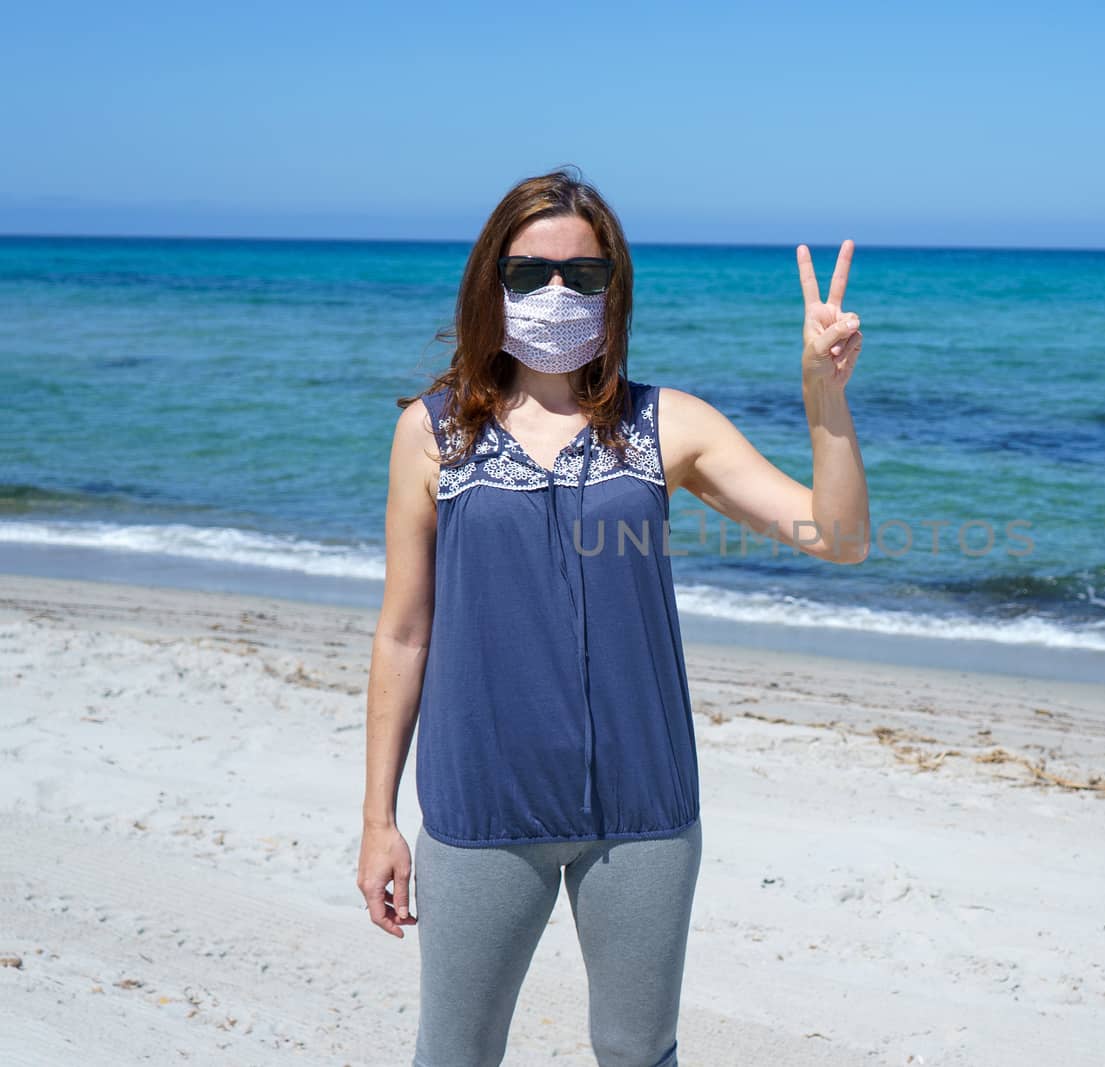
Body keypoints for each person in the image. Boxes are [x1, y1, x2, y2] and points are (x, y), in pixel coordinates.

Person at [357, 167, 870, 1067]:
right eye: (530, 274)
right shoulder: (433, 434)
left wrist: (822, 397)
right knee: (455, 1053)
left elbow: (839, 536)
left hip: (643, 807)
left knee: (637, 1052)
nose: (557, 293)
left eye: (583, 277)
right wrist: (377, 819)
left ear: (613, 291)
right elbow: (404, 630)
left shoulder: (666, 424)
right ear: (493, 283)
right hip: (481, 800)